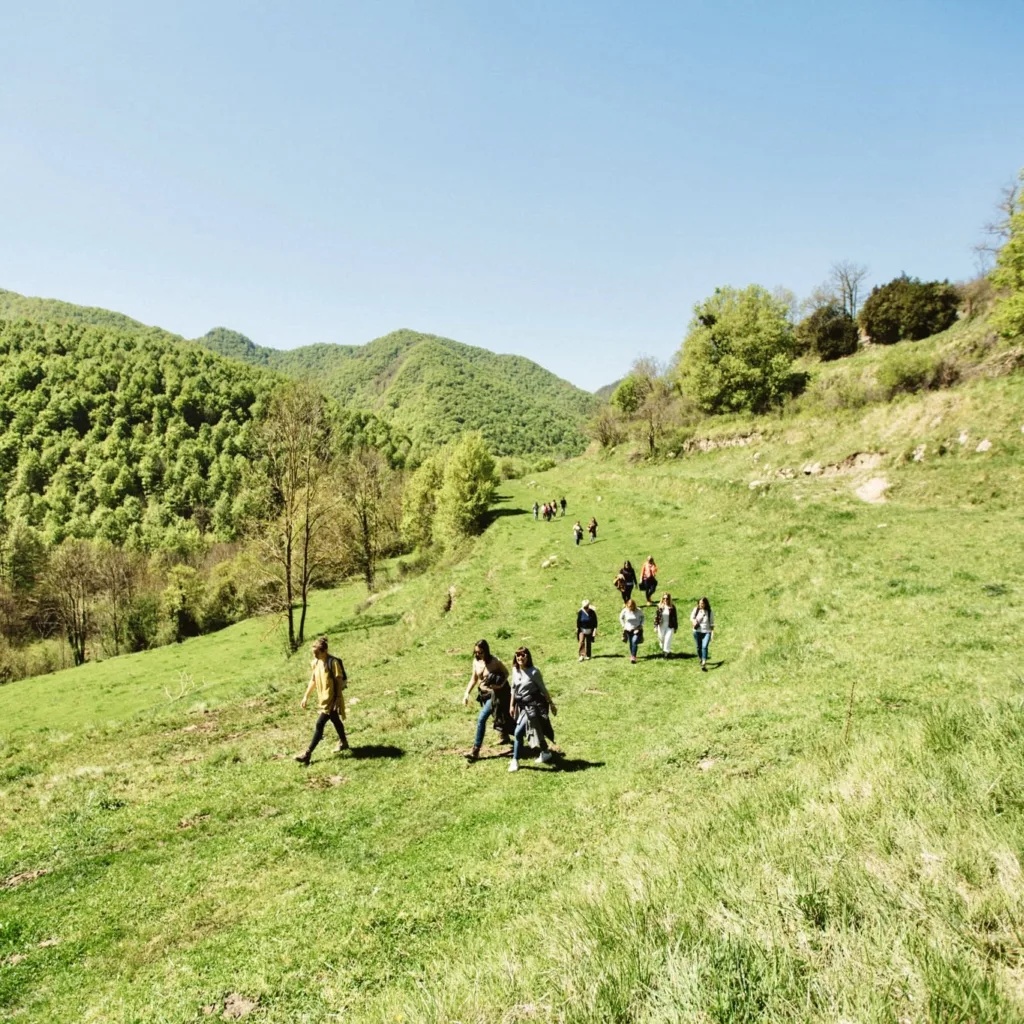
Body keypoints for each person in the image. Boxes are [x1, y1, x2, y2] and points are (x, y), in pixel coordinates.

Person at [295, 636, 349, 764]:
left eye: (317, 653)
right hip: (323, 699)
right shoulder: (315, 663)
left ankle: (307, 754)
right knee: (335, 719)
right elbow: (313, 680)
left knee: (319, 724)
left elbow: (338, 681)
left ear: (324, 651)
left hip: (332, 699)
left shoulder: (333, 663)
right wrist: (305, 696)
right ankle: (344, 742)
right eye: (313, 653)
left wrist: (337, 698)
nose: (315, 655)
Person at [462, 639, 513, 760]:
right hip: (483, 694)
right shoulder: (476, 661)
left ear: (486, 651)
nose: (478, 655)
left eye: (480, 652)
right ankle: (504, 736)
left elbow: (506, 673)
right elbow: (474, 679)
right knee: (498, 716)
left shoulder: (495, 661)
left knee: (481, 718)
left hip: (495, 695)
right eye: (476, 652)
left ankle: (475, 750)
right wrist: (466, 694)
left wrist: (499, 686)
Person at [509, 647, 557, 772]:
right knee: (537, 729)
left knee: (518, 732)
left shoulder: (534, 672)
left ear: (528, 657)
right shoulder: (515, 670)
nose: (520, 657)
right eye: (518, 655)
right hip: (521, 705)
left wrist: (551, 704)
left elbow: (543, 689)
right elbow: (513, 689)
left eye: (523, 655)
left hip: (533, 706)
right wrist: (511, 705)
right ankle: (546, 752)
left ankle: (515, 760)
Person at [691, 596, 715, 671]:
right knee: (699, 647)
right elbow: (691, 617)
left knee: (704, 646)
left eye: (703, 603)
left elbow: (711, 624)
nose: (701, 605)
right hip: (697, 632)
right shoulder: (696, 610)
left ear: (706, 604)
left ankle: (704, 662)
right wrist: (694, 621)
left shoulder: (710, 611)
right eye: (700, 603)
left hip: (707, 632)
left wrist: (712, 634)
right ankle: (701, 658)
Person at [619, 598, 645, 664]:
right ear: (627, 605)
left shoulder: (638, 610)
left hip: (637, 629)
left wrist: (641, 625)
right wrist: (623, 625)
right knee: (631, 643)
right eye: (629, 606)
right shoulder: (625, 610)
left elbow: (643, 617)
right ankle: (632, 654)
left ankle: (633, 657)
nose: (630, 607)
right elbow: (621, 618)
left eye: (632, 606)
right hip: (628, 629)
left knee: (634, 641)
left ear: (634, 605)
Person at [654, 593, 677, 657]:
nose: (665, 600)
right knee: (661, 639)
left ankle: (666, 654)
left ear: (669, 599)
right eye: (664, 598)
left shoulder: (672, 607)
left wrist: (675, 627)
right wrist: (655, 626)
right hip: (661, 625)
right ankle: (667, 651)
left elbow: (675, 617)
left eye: (667, 598)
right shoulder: (659, 606)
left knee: (668, 639)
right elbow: (656, 617)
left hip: (670, 626)